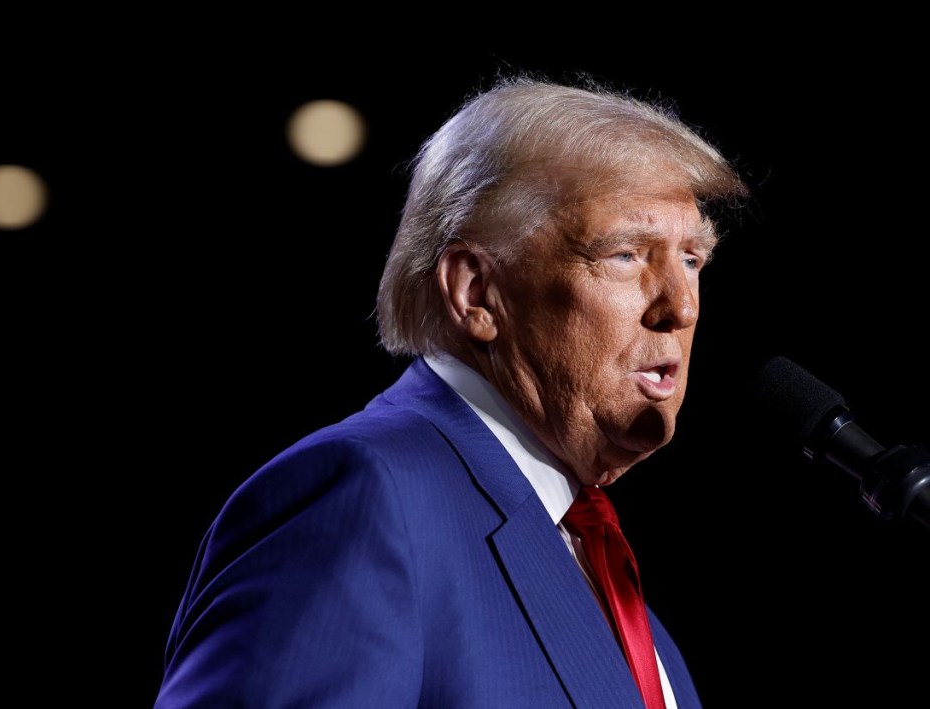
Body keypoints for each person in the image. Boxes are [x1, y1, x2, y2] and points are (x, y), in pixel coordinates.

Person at [154, 74, 747, 708]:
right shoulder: (366, 496)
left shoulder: (635, 620)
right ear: (476, 293)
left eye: (691, 260)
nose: (681, 308)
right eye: (626, 254)